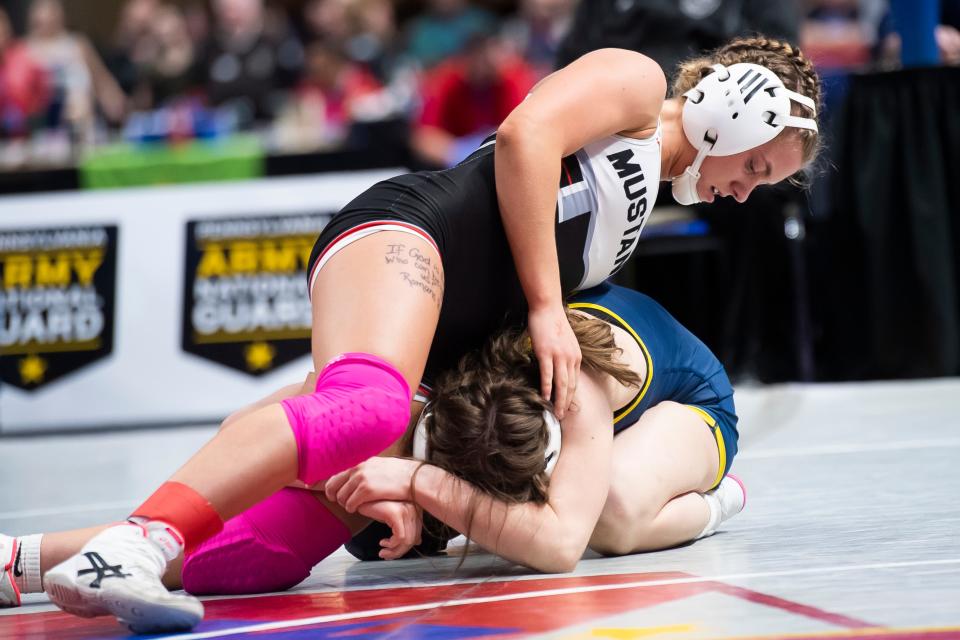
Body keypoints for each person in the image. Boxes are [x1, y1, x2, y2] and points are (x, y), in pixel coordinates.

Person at [35, 36, 819, 633]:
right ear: (736, 109)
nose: (746, 193)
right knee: (366, 409)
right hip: (414, 233)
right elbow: (524, 137)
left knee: (280, 545)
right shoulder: (640, 85)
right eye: (757, 167)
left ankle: (28, 561)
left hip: (446, 324)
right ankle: (142, 537)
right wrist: (549, 307)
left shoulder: (638, 215)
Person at [2, 282, 743, 600]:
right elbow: (243, 442)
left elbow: (556, 546)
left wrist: (417, 485)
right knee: (296, 488)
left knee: (607, 515)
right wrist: (343, 470)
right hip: (480, 426)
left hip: (689, 402)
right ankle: (22, 561)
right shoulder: (431, 364)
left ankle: (717, 502)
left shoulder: (575, 387)